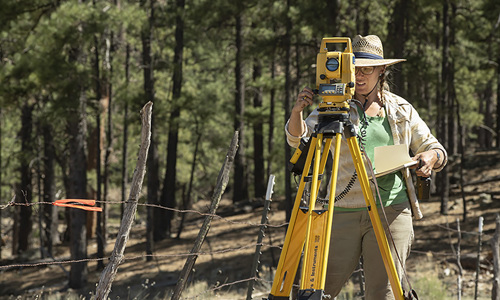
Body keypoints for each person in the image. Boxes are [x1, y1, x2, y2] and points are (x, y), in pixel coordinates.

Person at [285, 35, 447, 299]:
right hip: (342, 210)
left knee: (382, 294)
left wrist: (430, 158)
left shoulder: (400, 109)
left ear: (382, 69)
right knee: (315, 289)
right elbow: (297, 140)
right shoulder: (333, 108)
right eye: (355, 68)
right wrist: (297, 113)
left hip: (390, 211)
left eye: (367, 69)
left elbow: (435, 148)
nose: (359, 76)